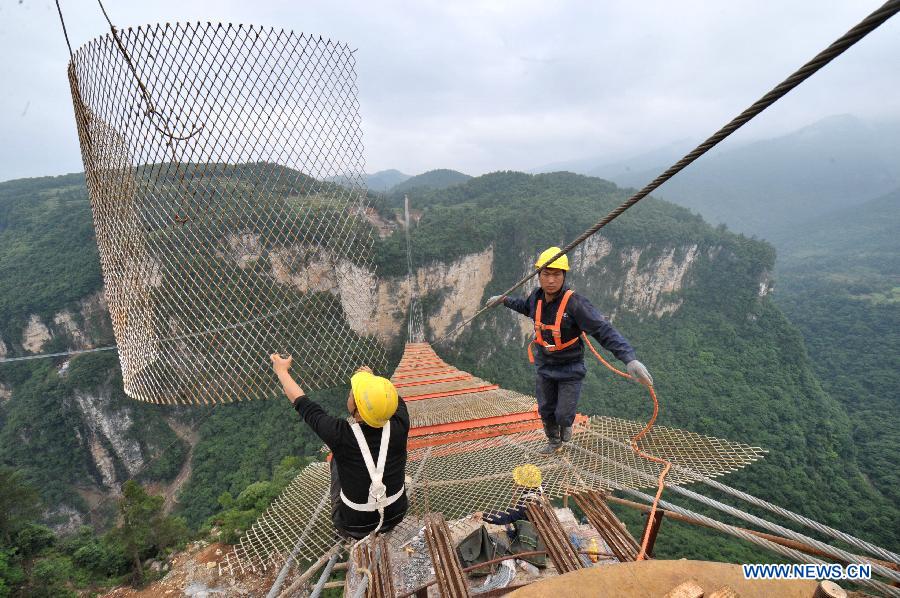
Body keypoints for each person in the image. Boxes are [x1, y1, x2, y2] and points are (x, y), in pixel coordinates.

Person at [487, 246, 653, 454]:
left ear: (564, 276)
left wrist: (629, 359)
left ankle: (566, 423)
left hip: (570, 369)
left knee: (563, 413)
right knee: (546, 409)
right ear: (538, 275)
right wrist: (504, 300)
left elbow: (603, 330)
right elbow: (524, 306)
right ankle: (553, 442)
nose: (550, 280)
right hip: (545, 365)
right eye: (546, 274)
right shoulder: (536, 298)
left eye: (556, 275)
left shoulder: (575, 303)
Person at [270, 355, 409, 539]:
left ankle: (344, 532)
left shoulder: (340, 435)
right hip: (396, 514)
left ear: (357, 407)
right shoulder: (401, 423)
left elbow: (302, 402)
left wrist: (281, 370)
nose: (349, 394)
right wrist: (371, 381)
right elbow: (388, 398)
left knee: (337, 457)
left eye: (352, 393)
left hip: (354, 525)